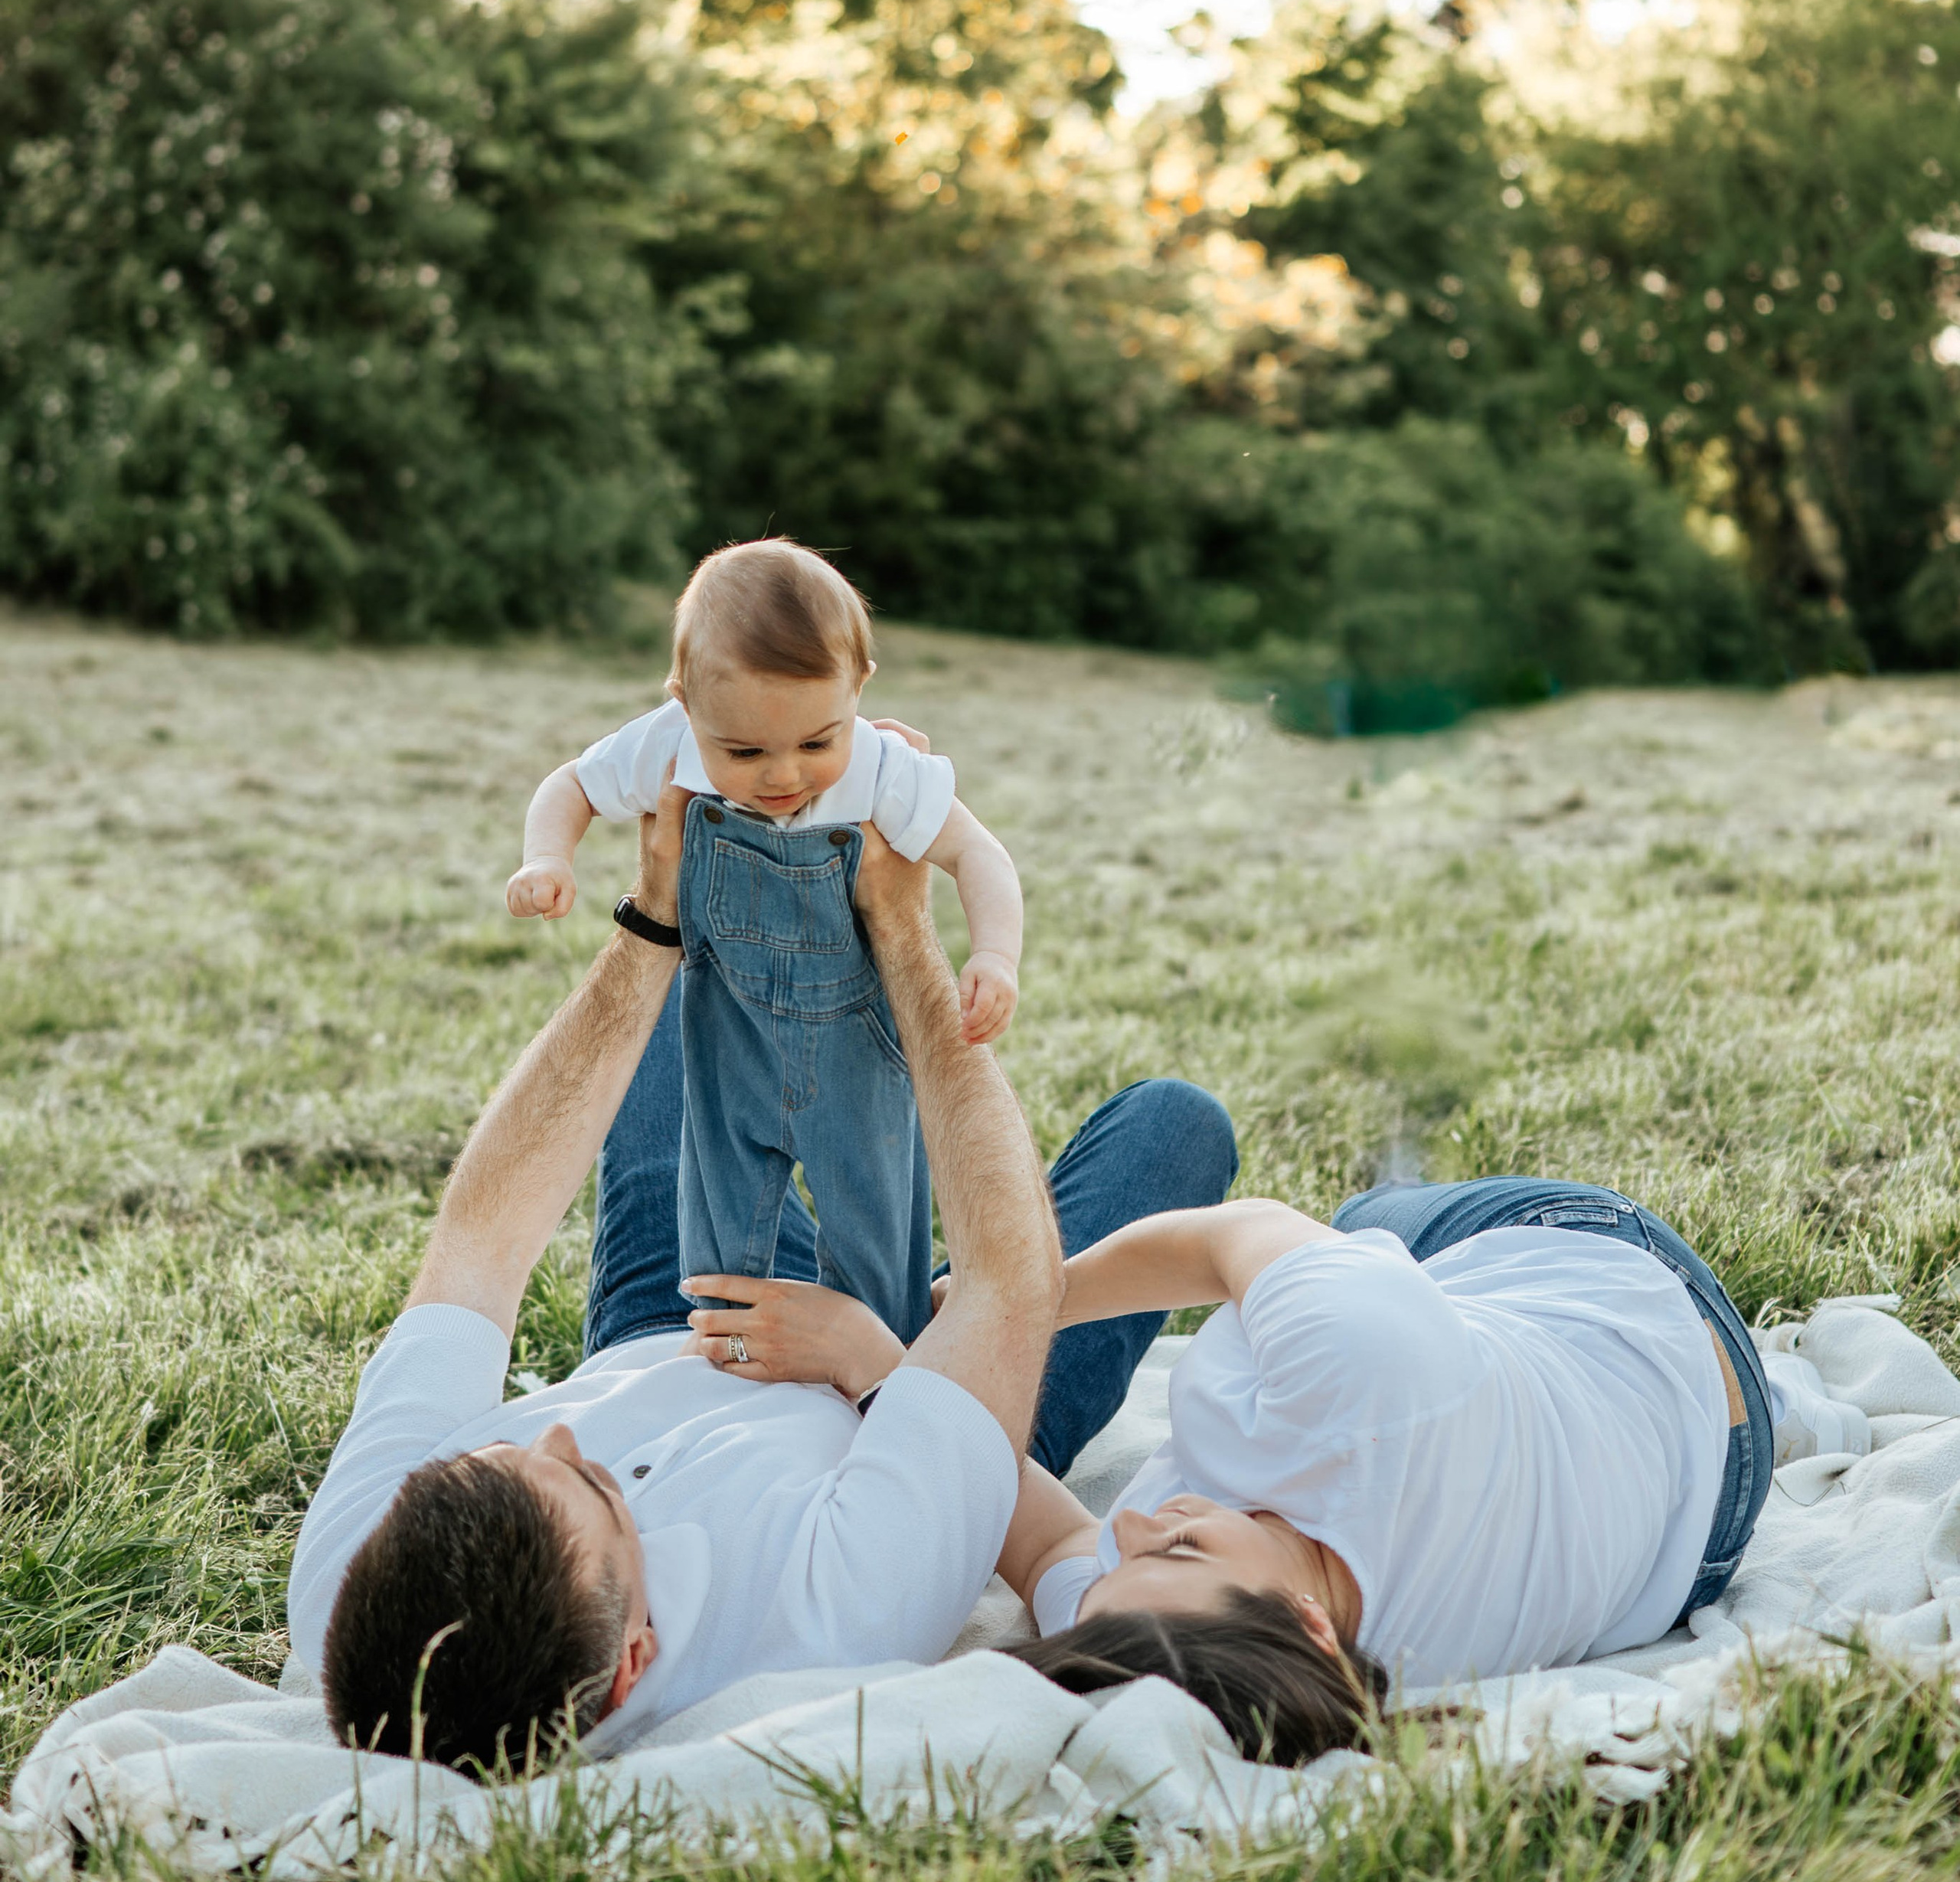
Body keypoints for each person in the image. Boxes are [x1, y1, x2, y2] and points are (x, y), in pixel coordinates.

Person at [289, 773, 1237, 1774]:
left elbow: (478, 1244)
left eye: (511, 1450)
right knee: (1175, 1127)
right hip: (911, 1396)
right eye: (590, 1483)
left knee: (682, 996)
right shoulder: (837, 1613)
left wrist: (651, 915)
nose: (557, 1427)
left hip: (679, 1311)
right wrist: (904, 927)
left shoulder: (348, 1589)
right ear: (635, 1660)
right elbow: (1008, 1283)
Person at [1000, 1175, 1776, 1762]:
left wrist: (897, 1378)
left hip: (1689, 1536)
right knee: (1357, 1225)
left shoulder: (1208, 1662)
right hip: (1640, 1308)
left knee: (1341, 1269)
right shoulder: (1363, 1375)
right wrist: (1017, 1307)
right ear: (1312, 1624)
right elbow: (1235, 1230)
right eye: (1181, 1547)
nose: (1130, 1526)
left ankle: (1785, 1401)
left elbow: (1043, 1547)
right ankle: (1778, 1386)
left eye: (1116, 1567)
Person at [504, 537, 1023, 1343]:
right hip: (726, 1029)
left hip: (854, 1042)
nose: (783, 775)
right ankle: (732, 1357)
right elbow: (569, 784)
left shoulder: (882, 766)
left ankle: (879, 1357)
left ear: (859, 688)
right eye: (743, 751)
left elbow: (977, 854)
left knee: (876, 1223)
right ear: (683, 701)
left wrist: (993, 954)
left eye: (818, 742)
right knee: (715, 1233)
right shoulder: (669, 740)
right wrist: (546, 855)